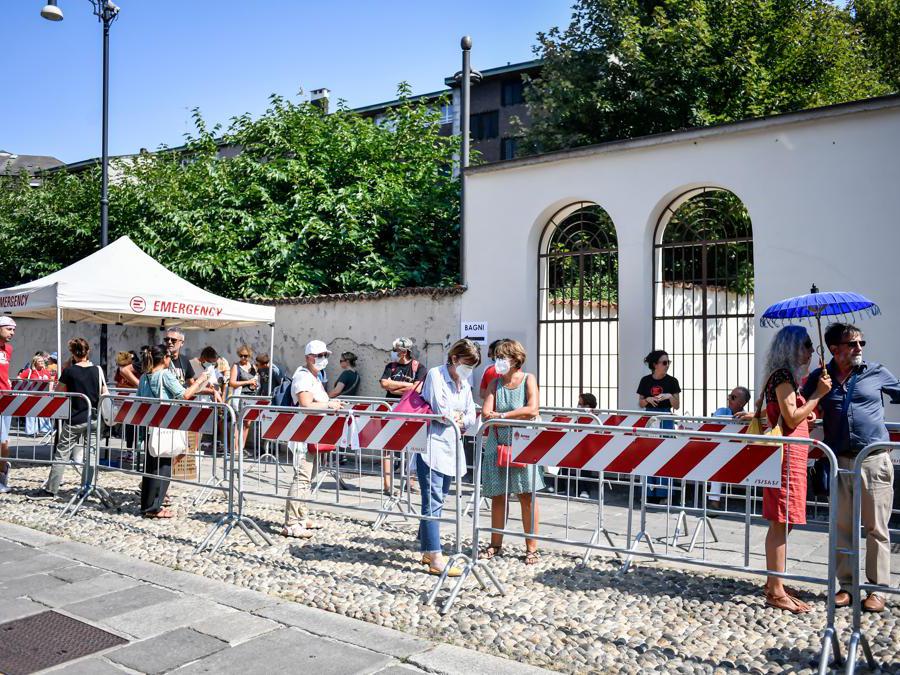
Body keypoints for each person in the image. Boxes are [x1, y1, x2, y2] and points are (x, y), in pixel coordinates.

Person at [802, 323, 898, 613]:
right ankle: (847, 586)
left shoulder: (876, 371)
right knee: (842, 527)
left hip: (873, 460)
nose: (859, 349)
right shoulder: (821, 377)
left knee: (877, 529)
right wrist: (817, 395)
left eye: (861, 343)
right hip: (839, 462)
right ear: (834, 349)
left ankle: (878, 590)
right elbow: (803, 407)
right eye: (853, 344)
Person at [758, 326, 830, 613]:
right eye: (807, 345)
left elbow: (789, 413)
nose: (811, 350)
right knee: (780, 521)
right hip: (786, 457)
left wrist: (806, 407)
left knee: (783, 521)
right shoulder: (784, 376)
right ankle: (775, 590)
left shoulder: (784, 377)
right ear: (792, 347)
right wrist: (818, 395)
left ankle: (775, 581)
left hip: (790, 456)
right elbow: (789, 418)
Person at [415, 339, 479, 576]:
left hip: (452, 445)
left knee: (439, 497)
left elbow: (472, 413)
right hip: (432, 444)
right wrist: (457, 417)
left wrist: (459, 418)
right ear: (454, 359)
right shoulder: (436, 374)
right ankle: (435, 556)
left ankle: (426, 548)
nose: (469, 370)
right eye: (466, 364)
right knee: (432, 500)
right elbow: (441, 412)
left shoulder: (463, 382)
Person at [480, 339, 544, 564]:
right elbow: (486, 413)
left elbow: (532, 409)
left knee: (527, 495)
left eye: (501, 357)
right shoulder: (493, 384)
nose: (497, 362)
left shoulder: (529, 379)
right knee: (499, 495)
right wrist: (503, 416)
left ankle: (532, 547)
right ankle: (495, 544)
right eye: (496, 358)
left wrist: (503, 416)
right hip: (497, 443)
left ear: (515, 359)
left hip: (523, 443)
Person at [29, 338, 110, 501]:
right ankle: (87, 487)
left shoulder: (70, 372)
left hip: (74, 418)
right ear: (88, 352)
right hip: (93, 418)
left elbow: (59, 392)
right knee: (92, 454)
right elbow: (104, 392)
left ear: (72, 353)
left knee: (62, 454)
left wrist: (66, 365)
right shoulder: (98, 370)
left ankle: (51, 489)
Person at [136, 344, 209, 518]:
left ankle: (147, 505)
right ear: (165, 359)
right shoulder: (165, 375)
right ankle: (155, 507)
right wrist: (200, 381)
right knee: (164, 467)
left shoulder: (144, 377)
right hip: (165, 426)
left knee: (150, 467)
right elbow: (184, 395)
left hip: (149, 426)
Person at [282, 339, 342, 538]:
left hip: (313, 435)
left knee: (309, 477)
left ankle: (302, 516)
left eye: (326, 356)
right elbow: (306, 404)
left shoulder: (314, 377)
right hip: (302, 435)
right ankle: (291, 523)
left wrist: (330, 404)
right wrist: (329, 406)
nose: (324, 359)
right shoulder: (303, 377)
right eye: (320, 356)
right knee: (302, 477)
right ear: (309, 357)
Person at [637, 349, 681, 502]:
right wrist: (648, 399)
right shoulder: (645, 380)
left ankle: (665, 494)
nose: (667, 365)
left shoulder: (672, 381)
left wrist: (670, 396)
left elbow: (677, 405)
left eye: (668, 362)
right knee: (648, 454)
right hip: (650, 417)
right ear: (655, 364)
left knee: (665, 454)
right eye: (664, 362)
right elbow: (640, 403)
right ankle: (648, 492)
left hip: (666, 417)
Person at [708, 386, 751, 509]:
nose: (729, 399)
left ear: (742, 403)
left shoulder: (747, 417)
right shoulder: (721, 412)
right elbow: (713, 428)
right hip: (722, 453)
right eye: (729, 396)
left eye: (733, 397)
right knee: (717, 462)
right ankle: (714, 502)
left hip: (741, 455)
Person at [0, 317, 16, 494]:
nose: (12, 332)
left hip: (6, 398)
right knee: (2, 441)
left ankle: (2, 477)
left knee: (5, 442)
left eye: (13, 330)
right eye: (9, 329)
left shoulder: (9, 349)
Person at [21, 354, 54, 436]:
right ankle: (31, 431)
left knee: (45, 413)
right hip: (32, 396)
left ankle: (45, 430)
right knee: (31, 414)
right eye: (39, 361)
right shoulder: (29, 371)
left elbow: (51, 381)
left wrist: (50, 391)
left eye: (43, 361)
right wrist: (24, 388)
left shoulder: (46, 371)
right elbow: (19, 378)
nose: (42, 362)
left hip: (44, 396)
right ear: (35, 363)